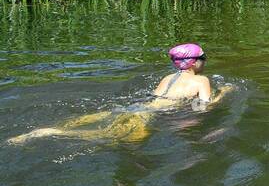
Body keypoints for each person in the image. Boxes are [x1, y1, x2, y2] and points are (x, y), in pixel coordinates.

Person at [8, 44, 221, 144]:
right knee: (107, 137)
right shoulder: (201, 80)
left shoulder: (167, 78)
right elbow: (202, 108)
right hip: (146, 115)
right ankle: (53, 132)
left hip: (135, 106)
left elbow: (156, 97)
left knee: (99, 117)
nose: (206, 61)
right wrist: (222, 95)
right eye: (204, 57)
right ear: (195, 62)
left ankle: (61, 127)